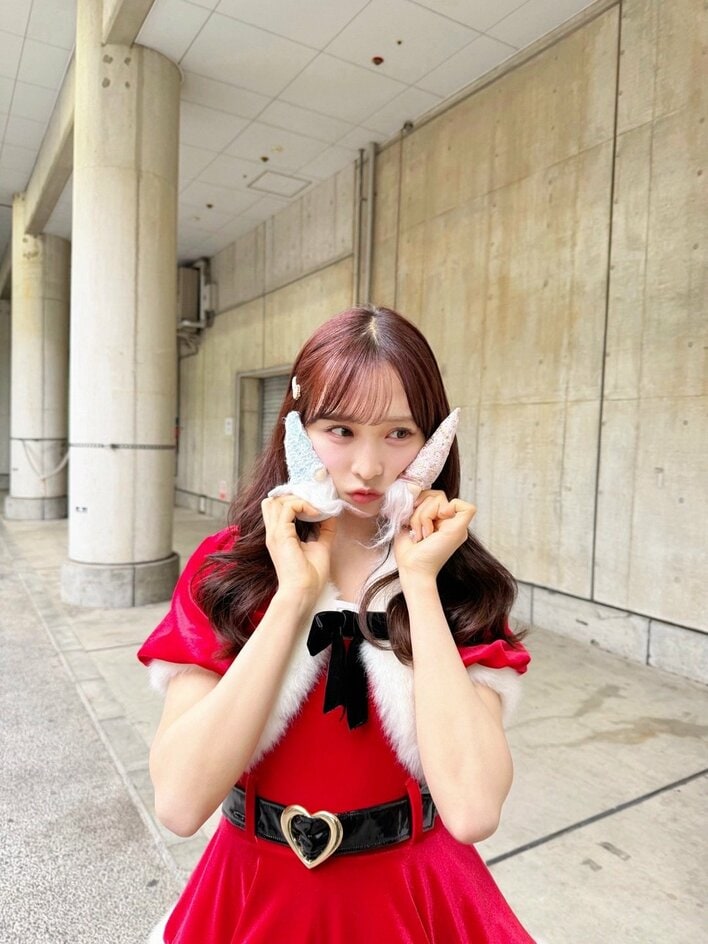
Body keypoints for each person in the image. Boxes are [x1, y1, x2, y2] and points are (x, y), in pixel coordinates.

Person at [139, 305, 535, 943]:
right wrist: (295, 597)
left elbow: (472, 809)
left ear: (435, 440)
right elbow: (180, 803)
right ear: (297, 430)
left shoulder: (461, 584)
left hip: (413, 895)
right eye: (341, 430)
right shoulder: (228, 570)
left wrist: (419, 584)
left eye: (399, 433)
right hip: (254, 890)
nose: (369, 467)